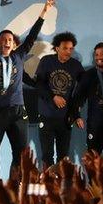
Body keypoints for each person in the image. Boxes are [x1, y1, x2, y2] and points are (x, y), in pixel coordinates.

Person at [0, 0, 55, 177]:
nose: (7, 41)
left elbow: (32, 36)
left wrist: (44, 12)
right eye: (3, 39)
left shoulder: (19, 56)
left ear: (14, 45)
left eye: (10, 40)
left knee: (21, 154)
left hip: (18, 112)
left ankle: (17, 185)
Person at [35, 31, 84, 167]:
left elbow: (83, 90)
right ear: (57, 48)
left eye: (71, 49)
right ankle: (47, 184)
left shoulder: (76, 65)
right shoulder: (47, 61)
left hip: (65, 117)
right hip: (47, 115)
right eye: (65, 48)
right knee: (47, 154)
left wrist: (76, 114)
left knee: (63, 155)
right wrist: (53, 97)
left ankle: (62, 186)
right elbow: (39, 84)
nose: (69, 52)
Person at [70, 42, 103, 165]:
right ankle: (93, 185)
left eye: (102, 54)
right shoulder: (88, 75)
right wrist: (77, 115)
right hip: (95, 126)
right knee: (92, 161)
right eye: (96, 54)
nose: (99, 57)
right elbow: (78, 97)